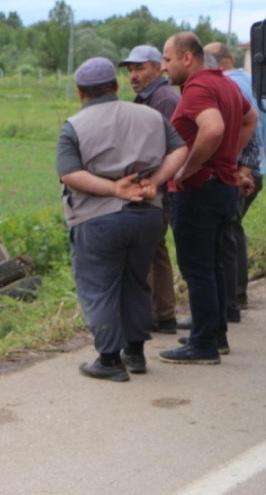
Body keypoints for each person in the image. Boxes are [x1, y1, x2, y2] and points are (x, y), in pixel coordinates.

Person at [57, 57, 187, 381]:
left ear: (80, 93)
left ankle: (110, 361)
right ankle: (136, 354)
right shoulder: (151, 115)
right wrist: (155, 182)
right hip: (147, 215)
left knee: (100, 287)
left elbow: (70, 174)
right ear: (114, 87)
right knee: (135, 282)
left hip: (96, 219)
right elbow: (180, 150)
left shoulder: (74, 126)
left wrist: (114, 188)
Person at [158, 32, 258, 364]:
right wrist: (230, 156)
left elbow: (212, 129)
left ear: (188, 57)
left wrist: (188, 168)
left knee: (197, 269)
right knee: (213, 265)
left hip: (199, 191)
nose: (164, 67)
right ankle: (214, 335)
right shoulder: (226, 84)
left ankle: (202, 346)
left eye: (168, 59)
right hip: (223, 187)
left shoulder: (199, 88)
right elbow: (250, 119)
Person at [118, 45, 181, 334]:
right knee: (155, 250)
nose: (133, 75)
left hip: (156, 187)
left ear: (159, 68)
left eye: (140, 68)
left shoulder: (163, 98)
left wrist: (153, 181)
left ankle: (158, 314)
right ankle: (162, 314)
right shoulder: (149, 97)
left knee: (150, 250)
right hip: (152, 186)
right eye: (130, 69)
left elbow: (167, 148)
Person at [203, 42, 266, 313]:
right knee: (232, 228)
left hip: (240, 171)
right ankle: (235, 295)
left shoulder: (222, 87)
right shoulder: (253, 82)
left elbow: (243, 129)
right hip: (256, 170)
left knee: (226, 233)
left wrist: (240, 170)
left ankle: (230, 299)